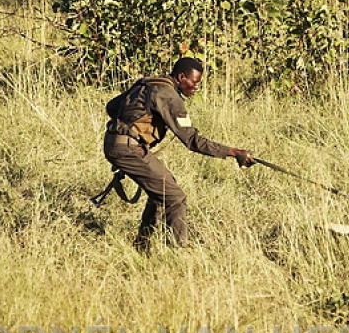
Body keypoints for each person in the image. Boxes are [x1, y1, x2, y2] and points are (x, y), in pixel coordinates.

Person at [102, 57, 254, 250]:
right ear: (181, 77)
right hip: (128, 149)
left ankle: (142, 246)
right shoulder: (169, 96)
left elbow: (111, 107)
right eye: (194, 82)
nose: (196, 87)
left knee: (163, 189)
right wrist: (234, 152)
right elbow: (193, 141)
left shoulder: (148, 83)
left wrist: (132, 127)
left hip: (117, 143)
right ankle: (177, 252)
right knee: (174, 197)